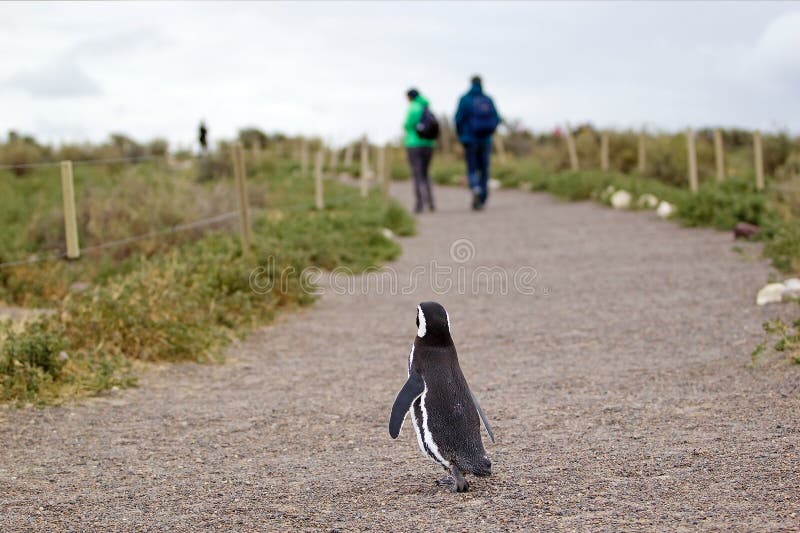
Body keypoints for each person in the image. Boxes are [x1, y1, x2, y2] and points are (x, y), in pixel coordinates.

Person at [455, 75, 500, 210]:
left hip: (469, 139)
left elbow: (458, 120)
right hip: (485, 139)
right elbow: (496, 118)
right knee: (484, 169)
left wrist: (462, 136)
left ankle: (475, 188)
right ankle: (483, 196)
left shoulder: (465, 100)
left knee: (472, 168)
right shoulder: (488, 99)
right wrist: (489, 132)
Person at [403, 88, 436, 213]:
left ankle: (419, 203)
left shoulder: (413, 107)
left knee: (417, 173)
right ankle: (431, 201)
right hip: (429, 144)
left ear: (410, 97)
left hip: (414, 144)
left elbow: (407, 125)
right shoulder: (427, 107)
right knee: (426, 173)